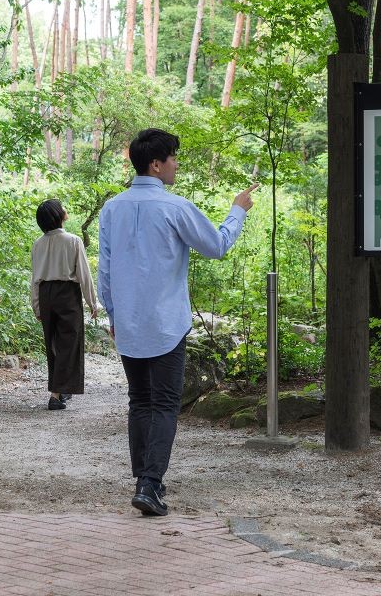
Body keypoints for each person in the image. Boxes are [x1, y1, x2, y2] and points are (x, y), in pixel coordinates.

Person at [98, 128, 257, 516]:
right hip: (167, 323)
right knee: (165, 404)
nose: (176, 164)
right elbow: (216, 246)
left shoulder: (112, 209)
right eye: (173, 158)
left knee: (140, 401)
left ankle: (145, 480)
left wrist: (114, 314)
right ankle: (149, 484)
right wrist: (238, 210)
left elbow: (104, 271)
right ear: (156, 164)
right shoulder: (174, 207)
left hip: (130, 322)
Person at [30, 199, 99, 411]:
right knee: (69, 343)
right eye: (62, 208)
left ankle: (60, 390)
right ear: (59, 215)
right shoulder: (73, 240)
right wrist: (92, 302)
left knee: (52, 343)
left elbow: (35, 278)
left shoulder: (37, 244)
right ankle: (56, 394)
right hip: (67, 293)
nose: (65, 210)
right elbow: (83, 274)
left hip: (45, 295)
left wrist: (36, 305)